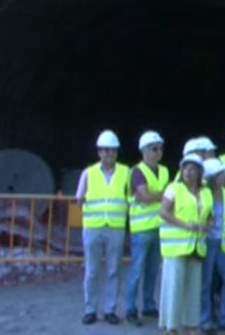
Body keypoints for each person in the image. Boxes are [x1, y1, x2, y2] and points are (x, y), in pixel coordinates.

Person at [77, 129, 130, 326]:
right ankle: (90, 309)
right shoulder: (88, 173)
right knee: (92, 271)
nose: (109, 154)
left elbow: (131, 197)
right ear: (99, 152)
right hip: (93, 228)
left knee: (113, 270)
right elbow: (79, 198)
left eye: (113, 151)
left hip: (115, 228)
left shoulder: (126, 172)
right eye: (106, 150)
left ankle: (110, 310)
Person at [158, 153, 214, 335]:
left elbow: (210, 214)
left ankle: (190, 324)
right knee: (174, 287)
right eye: (185, 168)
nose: (188, 172)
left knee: (193, 288)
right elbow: (164, 213)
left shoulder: (206, 192)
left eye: (192, 169)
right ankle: (171, 326)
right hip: (176, 247)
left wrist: (209, 224)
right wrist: (185, 225)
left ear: (200, 172)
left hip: (197, 246)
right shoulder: (174, 188)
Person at [126, 130, 169, 326]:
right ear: (144, 150)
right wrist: (163, 195)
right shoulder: (137, 171)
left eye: (160, 148)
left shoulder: (165, 171)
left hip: (159, 229)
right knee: (137, 271)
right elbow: (143, 196)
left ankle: (149, 306)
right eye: (154, 148)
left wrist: (155, 195)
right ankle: (130, 309)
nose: (158, 151)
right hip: (141, 230)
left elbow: (157, 196)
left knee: (152, 270)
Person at [200, 158, 225, 334]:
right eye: (222, 174)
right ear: (212, 177)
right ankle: (205, 320)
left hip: (224, 242)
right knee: (205, 282)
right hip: (207, 241)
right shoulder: (203, 193)